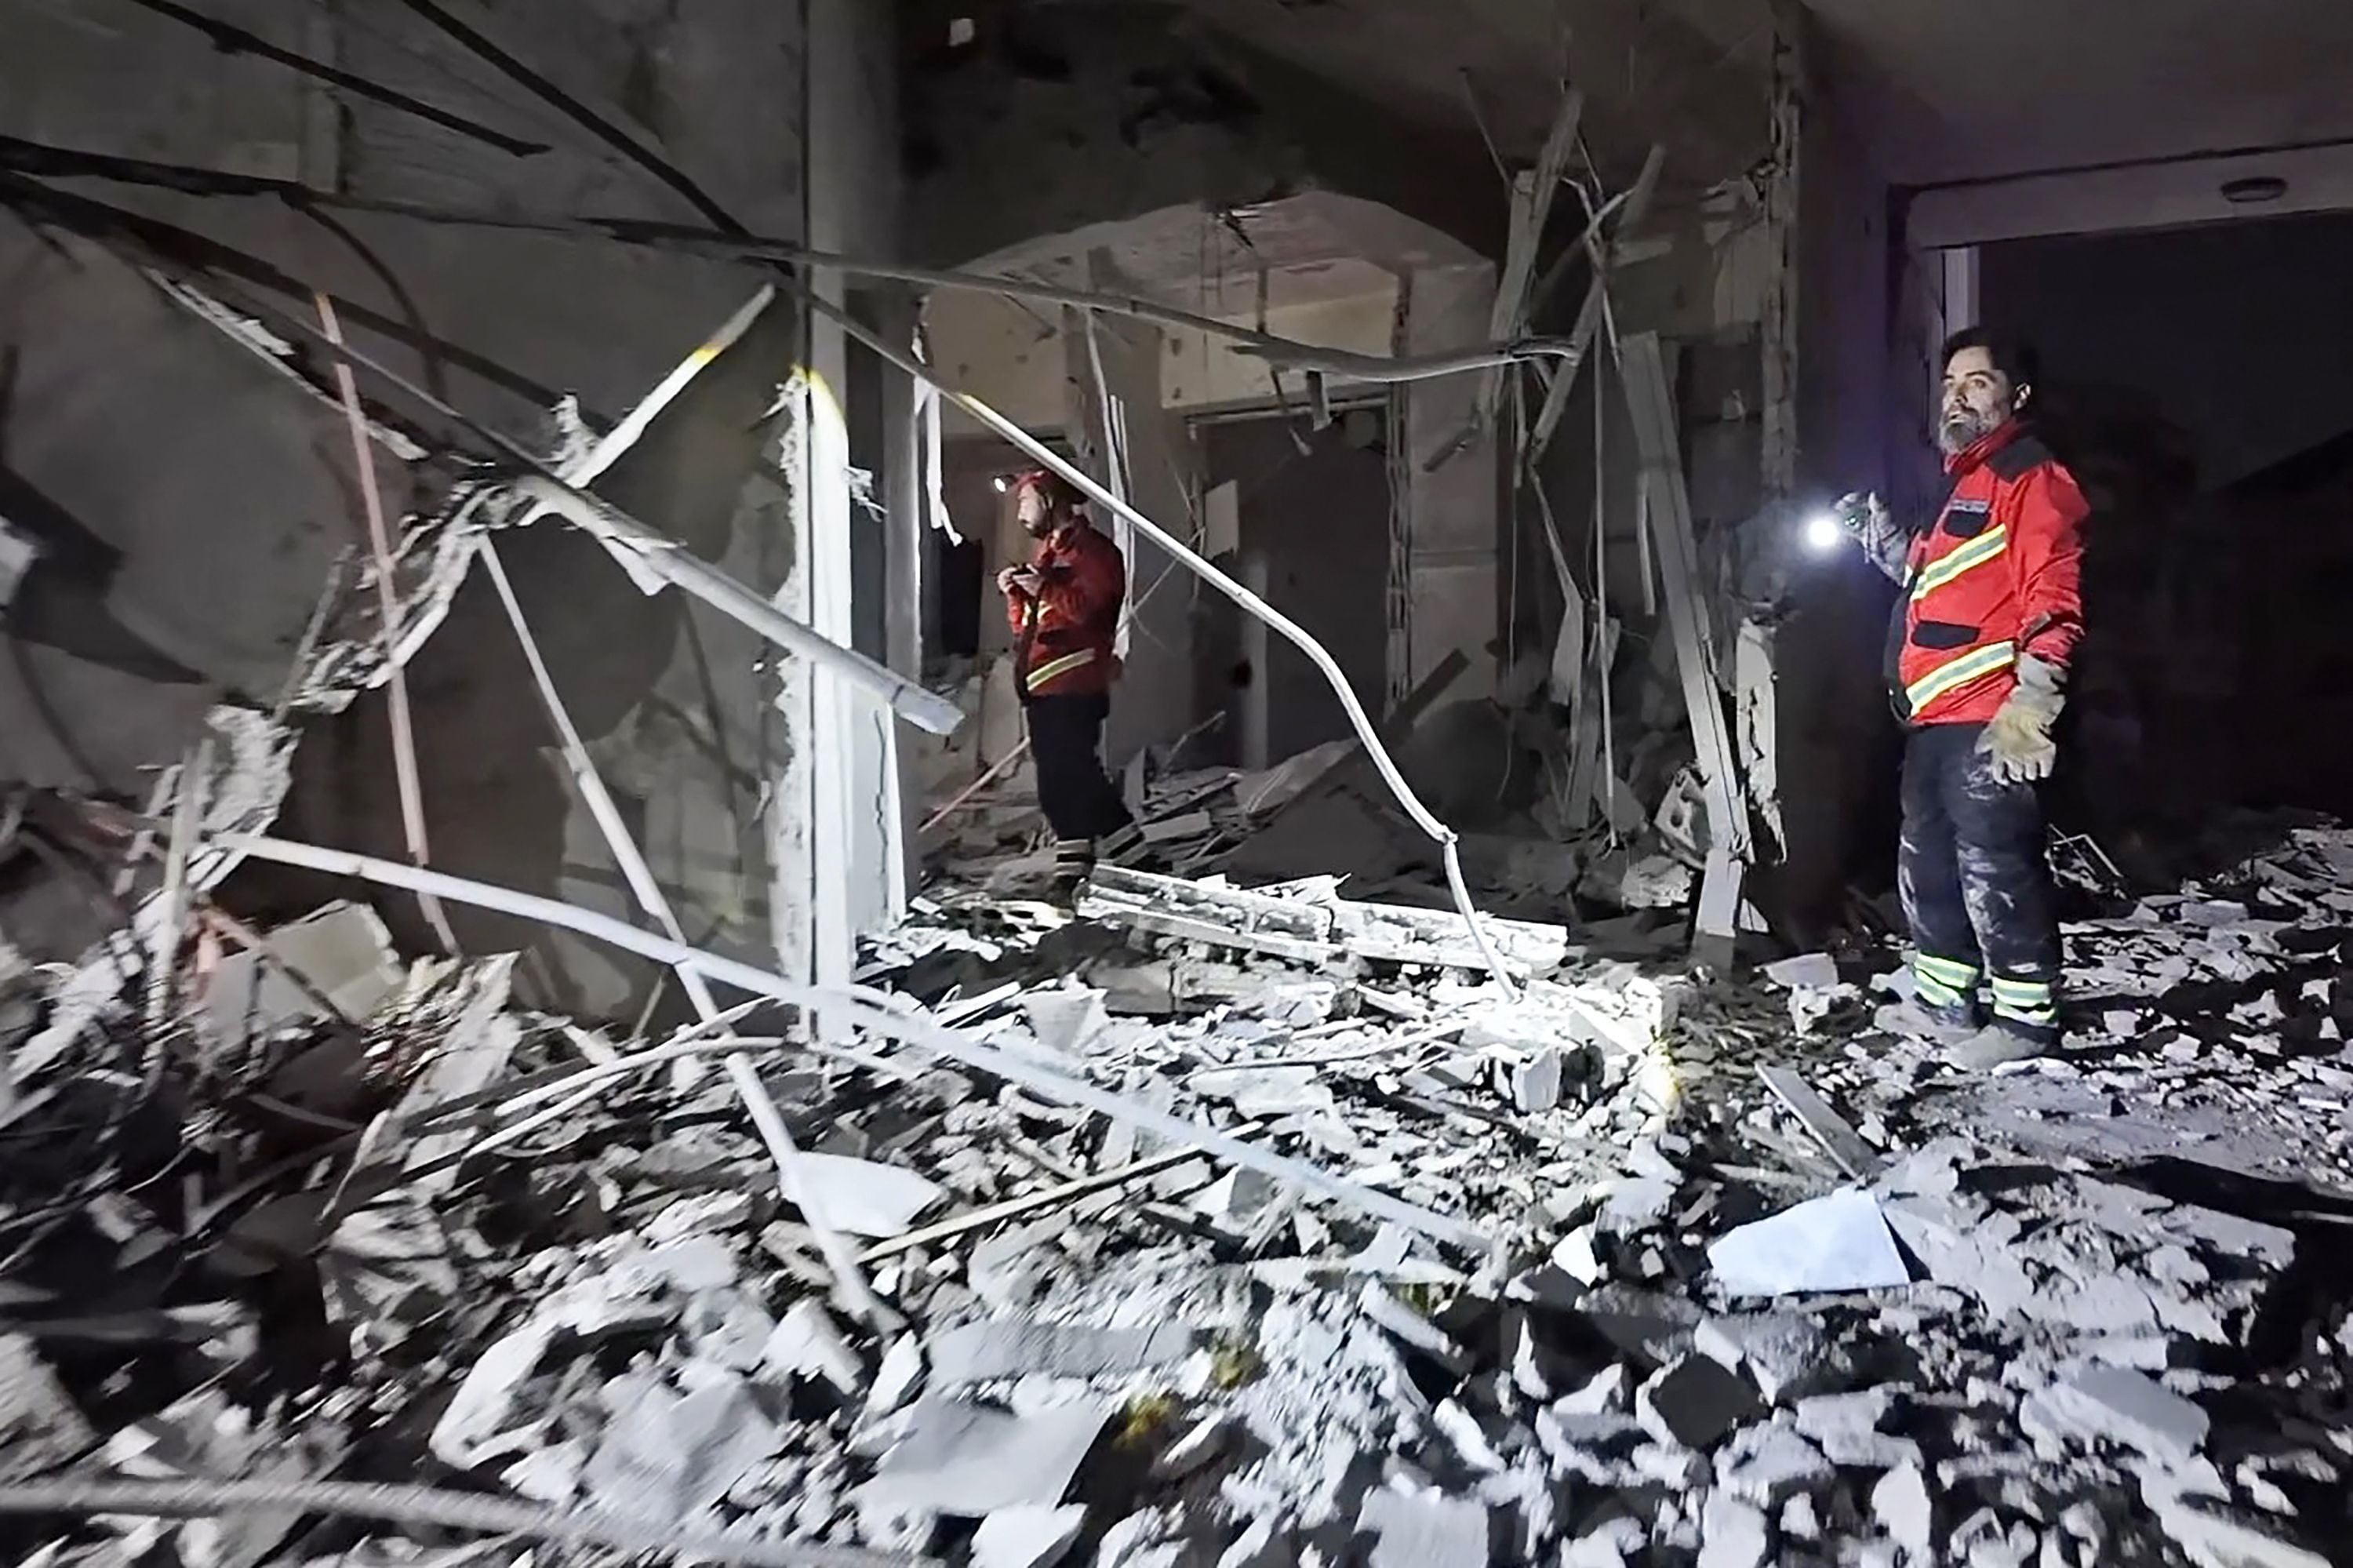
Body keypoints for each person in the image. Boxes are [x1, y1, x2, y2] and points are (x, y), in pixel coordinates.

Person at [1835, 328, 2089, 1068]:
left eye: (1977, 382)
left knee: (1996, 868)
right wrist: (1878, 534)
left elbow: (2053, 592)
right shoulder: (1964, 488)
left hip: (1989, 716)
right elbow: (1928, 575)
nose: (1957, 396)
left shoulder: (2031, 477)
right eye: (1950, 383)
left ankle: (2026, 1022)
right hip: (1933, 721)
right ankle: (1946, 999)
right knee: (1930, 866)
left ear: (2018, 396)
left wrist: (2033, 702)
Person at [996, 470, 1143, 891]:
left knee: (1066, 779)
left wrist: (1043, 587)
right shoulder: (1050, 555)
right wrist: (1017, 594)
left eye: (1026, 502)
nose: (1021, 514)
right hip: (1043, 686)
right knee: (1072, 777)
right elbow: (1029, 626)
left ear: (1049, 500)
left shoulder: (1093, 553)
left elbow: (1088, 610)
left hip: (1074, 684)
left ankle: (1074, 872)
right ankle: (1133, 856)